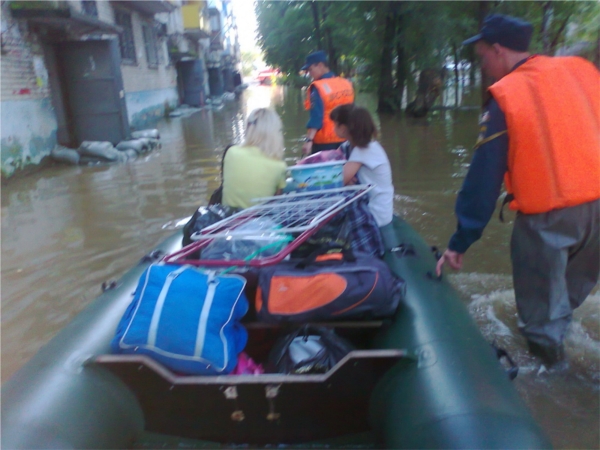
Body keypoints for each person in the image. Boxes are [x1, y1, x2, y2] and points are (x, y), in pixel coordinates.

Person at [435, 14, 600, 367]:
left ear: (498, 50)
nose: (483, 65)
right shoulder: (581, 71)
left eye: (482, 57)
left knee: (542, 323)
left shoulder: (506, 96)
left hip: (550, 220)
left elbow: (484, 179)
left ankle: (559, 395)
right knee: (565, 303)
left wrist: (461, 240)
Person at [331, 104, 394, 228]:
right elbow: (335, 159)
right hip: (377, 207)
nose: (333, 127)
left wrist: (345, 180)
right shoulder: (355, 146)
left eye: (335, 124)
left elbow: (338, 180)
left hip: (376, 213)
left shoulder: (363, 150)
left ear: (343, 128)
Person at [222, 108, 287, 209]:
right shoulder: (279, 166)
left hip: (227, 219)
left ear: (249, 128)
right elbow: (276, 200)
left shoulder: (231, 152)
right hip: (258, 220)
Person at [301, 50, 354, 155]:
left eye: (310, 69)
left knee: (323, 170)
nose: (309, 74)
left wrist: (309, 140)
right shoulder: (346, 84)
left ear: (320, 65)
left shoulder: (317, 87)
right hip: (347, 138)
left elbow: (317, 116)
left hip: (324, 142)